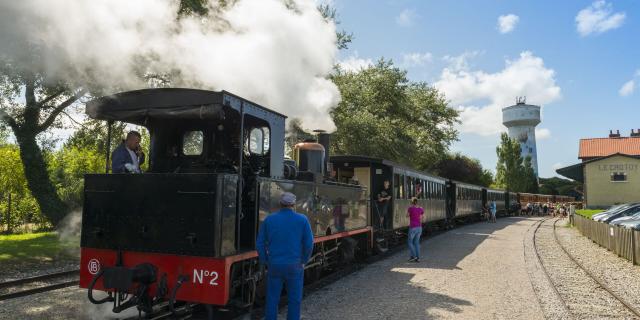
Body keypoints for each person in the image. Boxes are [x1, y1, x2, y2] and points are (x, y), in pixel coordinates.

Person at [256, 192, 314, 320]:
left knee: (272, 299)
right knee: (295, 299)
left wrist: (265, 260)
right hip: (295, 265)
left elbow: (259, 243)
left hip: (274, 265)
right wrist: (304, 260)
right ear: (293, 205)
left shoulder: (269, 219)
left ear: (280, 204)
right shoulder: (302, 219)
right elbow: (309, 244)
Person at [406, 198, 424, 262]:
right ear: (417, 202)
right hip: (419, 227)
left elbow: (407, 216)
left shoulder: (410, 208)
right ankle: (418, 258)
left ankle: (414, 256)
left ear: (412, 202)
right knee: (416, 243)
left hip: (413, 227)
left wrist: (410, 212)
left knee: (410, 242)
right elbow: (421, 218)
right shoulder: (421, 208)